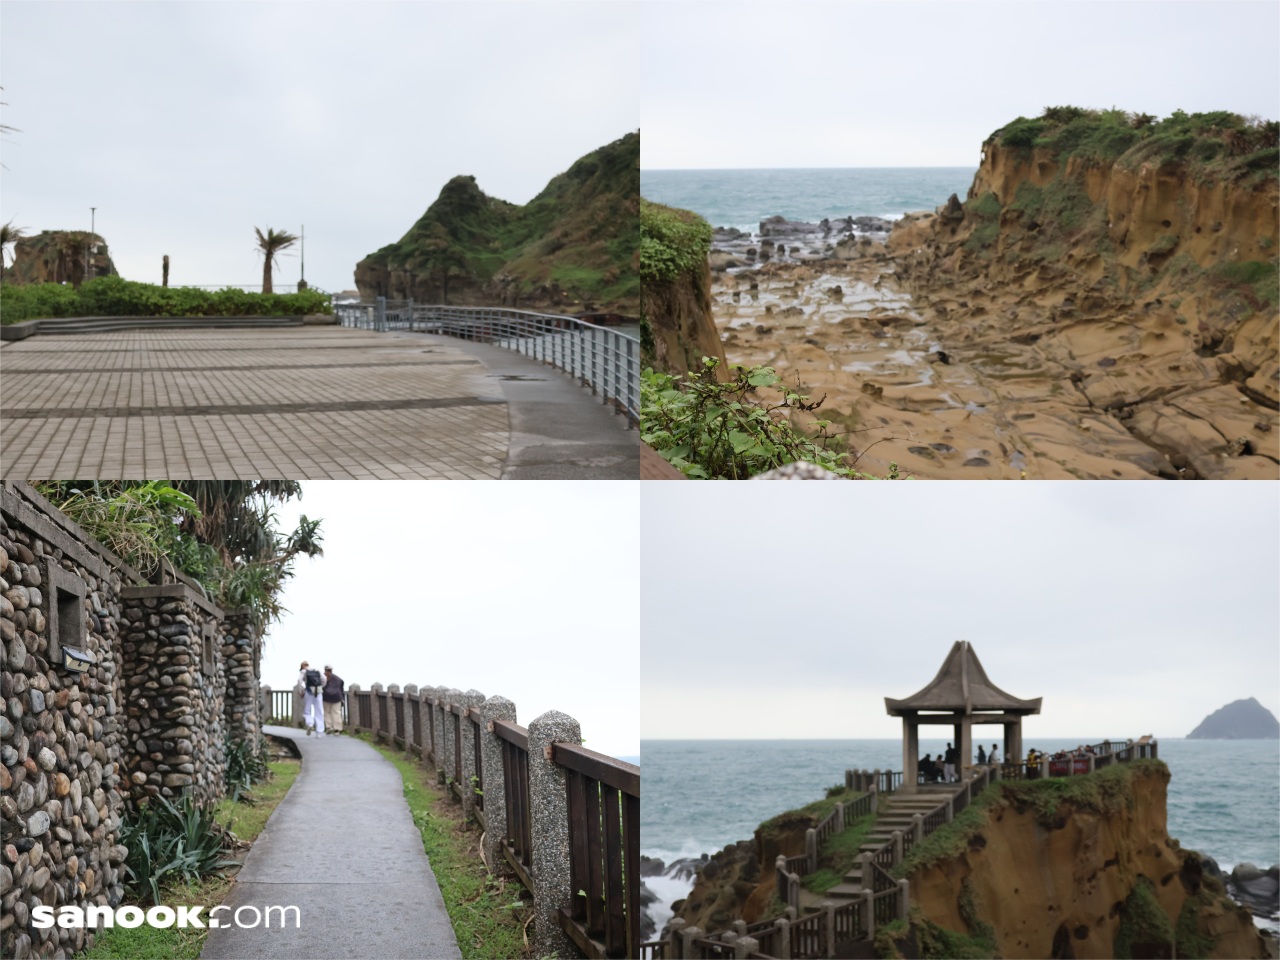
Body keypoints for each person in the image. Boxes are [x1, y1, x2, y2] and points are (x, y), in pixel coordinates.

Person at [299, 660, 325, 736]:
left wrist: (301, 691)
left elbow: (299, 681)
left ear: (302, 666)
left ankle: (310, 723)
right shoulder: (317, 670)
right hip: (319, 692)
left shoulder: (304, 671)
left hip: (309, 691)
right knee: (319, 711)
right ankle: (319, 732)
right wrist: (321, 687)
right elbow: (324, 679)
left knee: (307, 710)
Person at [322, 665, 345, 735]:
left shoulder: (322, 678)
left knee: (327, 712)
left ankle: (329, 727)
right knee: (336, 713)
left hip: (326, 697)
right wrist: (342, 698)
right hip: (336, 697)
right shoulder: (338, 679)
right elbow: (341, 689)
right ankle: (337, 729)